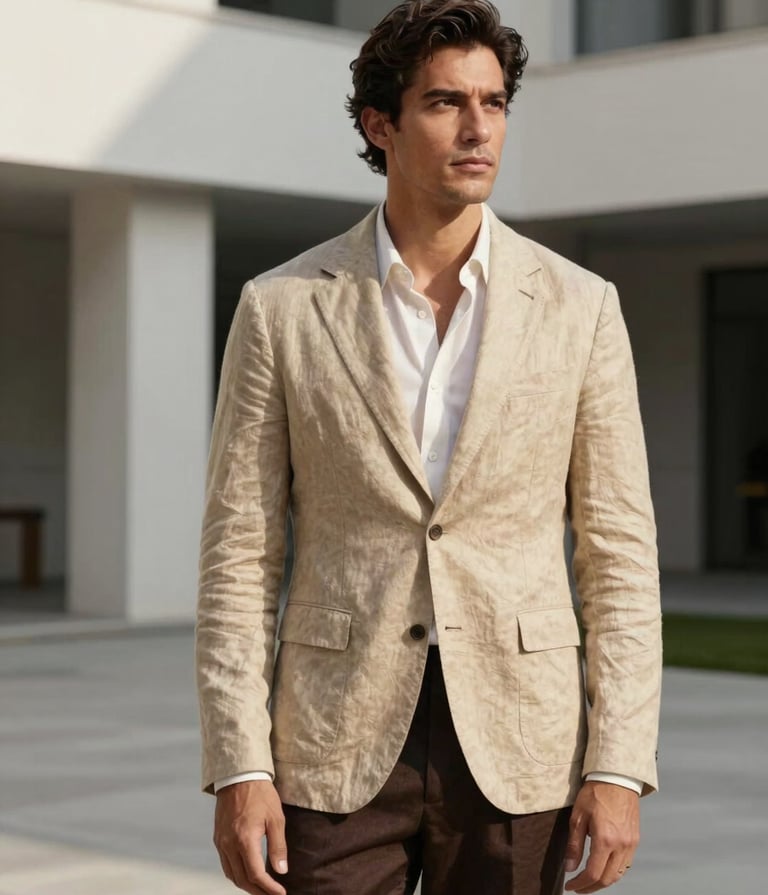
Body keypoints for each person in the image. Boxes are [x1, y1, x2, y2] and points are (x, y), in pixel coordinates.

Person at [195, 2, 662, 893]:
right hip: (333, 743)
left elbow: (618, 553)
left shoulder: (581, 305)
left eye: (494, 102)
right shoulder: (282, 307)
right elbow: (239, 553)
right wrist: (240, 763)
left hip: (520, 741)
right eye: (447, 102)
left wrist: (618, 764)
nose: (479, 127)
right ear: (382, 124)